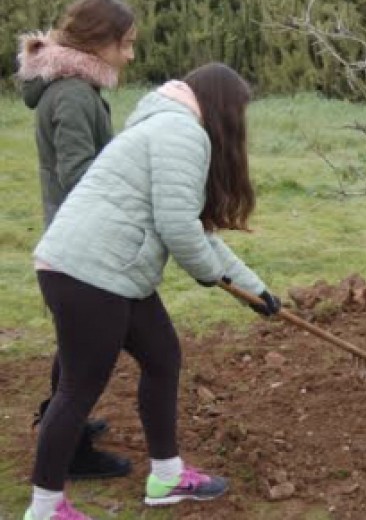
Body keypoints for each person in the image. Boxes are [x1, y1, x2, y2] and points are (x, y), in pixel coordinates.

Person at [23, 62, 282, 520]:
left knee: (162, 358)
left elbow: (199, 232)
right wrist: (209, 276)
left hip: (117, 270)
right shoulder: (182, 134)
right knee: (78, 389)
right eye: (239, 113)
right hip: (88, 270)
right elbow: (178, 230)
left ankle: (166, 476)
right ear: (223, 108)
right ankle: (45, 509)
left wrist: (255, 289)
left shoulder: (170, 125)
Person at [17, 0, 137, 481]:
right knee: (85, 353)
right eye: (125, 45)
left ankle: (61, 423)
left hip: (74, 235)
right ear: (97, 43)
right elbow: (78, 177)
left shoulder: (74, 89)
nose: (130, 55)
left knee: (75, 346)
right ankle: (68, 452)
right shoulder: (71, 94)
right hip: (79, 243)